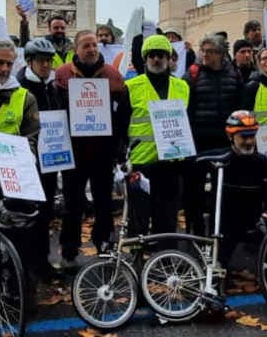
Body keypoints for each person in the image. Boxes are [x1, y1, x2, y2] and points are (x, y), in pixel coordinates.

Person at [54, 30, 127, 265]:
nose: (92, 49)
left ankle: (103, 242)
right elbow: (56, 111)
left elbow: (124, 113)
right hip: (74, 153)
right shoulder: (63, 75)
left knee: (104, 202)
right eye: (86, 46)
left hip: (103, 153)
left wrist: (118, 146)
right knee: (72, 204)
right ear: (76, 49)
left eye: (94, 45)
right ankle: (69, 249)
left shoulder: (113, 76)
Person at [120, 35, 189, 240]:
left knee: (167, 219)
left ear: (169, 58)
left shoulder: (183, 87)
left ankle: (165, 262)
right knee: (138, 219)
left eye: (160, 55)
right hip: (141, 163)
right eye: (151, 56)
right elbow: (121, 125)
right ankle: (135, 262)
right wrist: (120, 158)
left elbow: (188, 122)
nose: (156, 59)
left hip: (172, 162)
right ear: (145, 59)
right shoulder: (131, 87)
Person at [217, 110, 267, 273]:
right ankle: (221, 263)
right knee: (219, 273)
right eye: (244, 137)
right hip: (226, 227)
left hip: (256, 223)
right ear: (231, 137)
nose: (249, 141)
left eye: (252, 136)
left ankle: (266, 263)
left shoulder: (262, 162)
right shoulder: (219, 160)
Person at [183, 33, 243, 235]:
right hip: (198, 142)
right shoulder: (192, 75)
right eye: (203, 51)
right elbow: (185, 108)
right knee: (194, 192)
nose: (205, 55)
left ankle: (218, 232)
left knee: (222, 190)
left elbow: (239, 106)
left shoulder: (234, 75)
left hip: (225, 142)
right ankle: (196, 231)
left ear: (221, 53)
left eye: (211, 51)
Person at [16, 38, 62, 278]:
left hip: (50, 159)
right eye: (41, 61)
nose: (46, 65)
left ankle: (42, 262)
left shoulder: (51, 85)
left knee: (45, 212)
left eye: (49, 61)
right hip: (28, 159)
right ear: (30, 61)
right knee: (28, 214)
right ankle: (26, 264)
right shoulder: (20, 86)